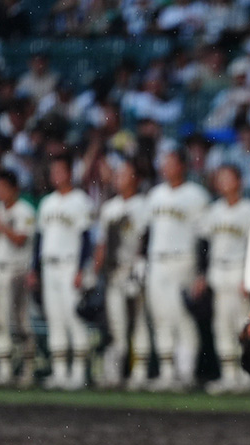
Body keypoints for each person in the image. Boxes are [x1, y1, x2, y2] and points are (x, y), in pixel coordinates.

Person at [145, 148, 210, 391]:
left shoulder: (195, 195)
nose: (166, 167)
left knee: (181, 316)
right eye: (164, 162)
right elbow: (148, 233)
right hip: (157, 261)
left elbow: (203, 238)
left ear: (183, 165)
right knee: (160, 317)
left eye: (171, 162)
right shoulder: (155, 195)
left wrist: (201, 272)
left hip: (182, 260)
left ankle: (185, 372)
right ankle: (166, 372)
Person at [30, 154, 93, 390]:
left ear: (70, 173)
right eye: (53, 171)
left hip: (69, 265)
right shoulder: (47, 202)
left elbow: (86, 238)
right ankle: (59, 373)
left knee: (73, 318)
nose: (56, 176)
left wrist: (81, 269)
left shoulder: (80, 200)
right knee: (55, 320)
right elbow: (40, 238)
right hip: (49, 266)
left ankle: (78, 373)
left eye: (60, 171)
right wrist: (34, 269)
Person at [198, 165, 250, 394]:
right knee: (221, 326)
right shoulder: (213, 211)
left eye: (228, 178)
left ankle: (246, 375)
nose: (223, 183)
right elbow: (204, 244)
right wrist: (203, 274)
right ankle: (228, 376)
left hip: (239, 270)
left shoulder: (249, 209)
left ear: (239, 181)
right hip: (218, 271)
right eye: (220, 178)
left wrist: (249, 277)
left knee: (241, 325)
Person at [92, 160, 151, 390]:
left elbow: (147, 238)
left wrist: (141, 267)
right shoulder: (109, 208)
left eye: (125, 174)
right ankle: (113, 373)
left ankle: (140, 372)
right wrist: (93, 273)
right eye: (118, 174)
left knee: (139, 323)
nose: (119, 178)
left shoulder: (144, 205)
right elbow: (102, 245)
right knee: (116, 325)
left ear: (136, 178)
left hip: (135, 270)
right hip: (115, 272)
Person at [0, 169, 36, 387]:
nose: (0, 192)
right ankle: (5, 369)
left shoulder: (24, 210)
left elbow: (19, 240)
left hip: (17, 271)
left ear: (14, 188)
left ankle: (28, 370)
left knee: (21, 322)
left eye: (4, 188)